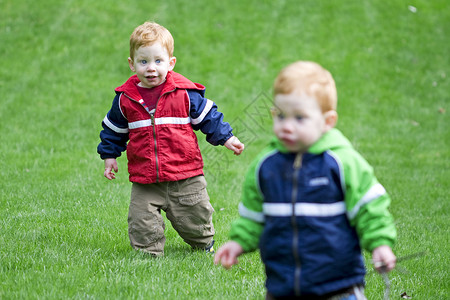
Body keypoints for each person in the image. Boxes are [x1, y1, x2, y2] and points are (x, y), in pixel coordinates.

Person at [214, 61, 396, 299]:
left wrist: (380, 243)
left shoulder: (342, 162)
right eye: (281, 116)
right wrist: (238, 243)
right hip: (282, 285)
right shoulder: (266, 167)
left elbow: (369, 207)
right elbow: (254, 216)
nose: (287, 126)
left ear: (327, 121)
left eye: (299, 118)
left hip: (338, 285)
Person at [97, 22, 244, 257]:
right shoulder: (125, 99)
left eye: (158, 61)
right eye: (143, 62)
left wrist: (227, 138)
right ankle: (148, 253)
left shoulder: (185, 94)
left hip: (185, 174)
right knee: (141, 220)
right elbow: (113, 130)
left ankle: (203, 243)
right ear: (132, 64)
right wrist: (109, 156)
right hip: (146, 178)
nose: (151, 68)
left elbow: (209, 118)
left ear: (171, 63)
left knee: (195, 218)